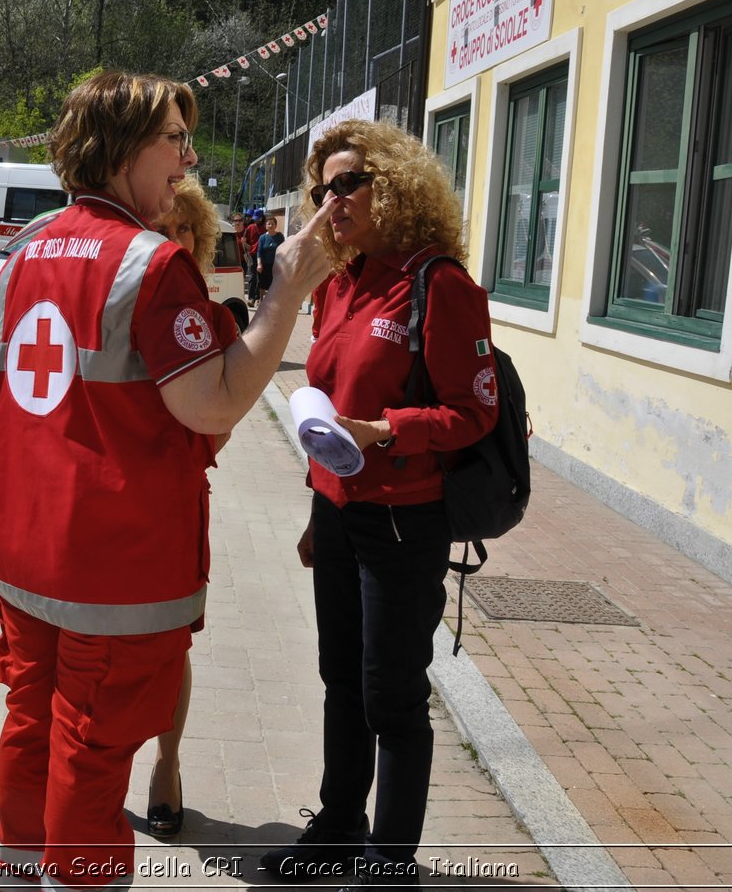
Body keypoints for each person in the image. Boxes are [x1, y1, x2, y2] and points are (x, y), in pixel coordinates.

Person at [0, 71, 333, 892]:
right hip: (112, 565)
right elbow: (210, 407)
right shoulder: (150, 261)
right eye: (175, 139)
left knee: (31, 724)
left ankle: (17, 878)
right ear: (123, 147)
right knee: (92, 750)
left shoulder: (27, 247)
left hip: (25, 557)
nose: (188, 158)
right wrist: (287, 295)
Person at [261, 119, 498, 889]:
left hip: (404, 518)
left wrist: (388, 430)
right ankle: (337, 824)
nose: (332, 200)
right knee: (341, 676)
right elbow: (329, 404)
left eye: (348, 182)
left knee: (392, 692)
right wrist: (315, 506)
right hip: (339, 512)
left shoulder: (439, 282)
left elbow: (475, 411)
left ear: (391, 185)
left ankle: (389, 863)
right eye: (322, 187)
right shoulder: (341, 279)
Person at [143, 177, 233, 840]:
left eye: (183, 231)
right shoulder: (120, 303)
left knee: (169, 645)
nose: (170, 241)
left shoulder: (217, 321)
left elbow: (211, 433)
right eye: (160, 227)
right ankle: (100, 769)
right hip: (106, 507)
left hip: (171, 506)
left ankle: (166, 766)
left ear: (197, 242)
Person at [255, 215, 285, 297]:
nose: (270, 225)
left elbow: (283, 250)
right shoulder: (262, 237)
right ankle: (261, 300)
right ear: (266, 226)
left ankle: (271, 301)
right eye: (268, 224)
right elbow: (259, 252)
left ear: (275, 225)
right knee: (262, 284)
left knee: (273, 284)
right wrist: (259, 264)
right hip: (264, 265)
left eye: (272, 224)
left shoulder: (280, 236)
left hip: (276, 265)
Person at [242, 211, 263, 303]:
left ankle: (258, 297)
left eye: (258, 218)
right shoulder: (250, 228)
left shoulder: (264, 228)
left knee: (260, 277)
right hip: (251, 255)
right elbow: (244, 241)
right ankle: (251, 298)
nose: (256, 220)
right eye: (255, 218)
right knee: (252, 276)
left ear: (262, 218)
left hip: (262, 255)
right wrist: (247, 247)